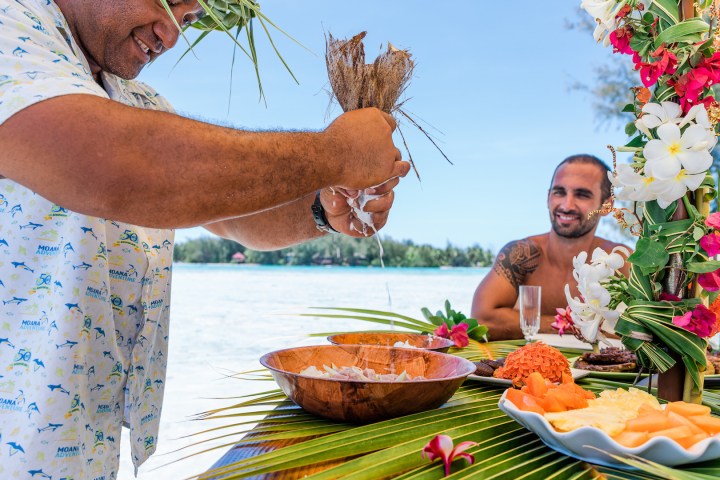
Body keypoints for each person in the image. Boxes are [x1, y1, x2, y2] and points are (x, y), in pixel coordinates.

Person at [0, 1, 410, 478]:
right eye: (164, 2)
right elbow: (117, 167)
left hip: (77, 439)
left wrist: (323, 209)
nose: (171, 37)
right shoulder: (11, 31)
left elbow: (234, 221)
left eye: (189, 19)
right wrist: (334, 152)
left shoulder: (138, 103)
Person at [471, 154, 631, 341]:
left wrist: (535, 323)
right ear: (548, 198)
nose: (566, 205)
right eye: (559, 192)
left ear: (606, 206)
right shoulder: (522, 254)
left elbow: (641, 329)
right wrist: (573, 324)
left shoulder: (620, 260)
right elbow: (481, 319)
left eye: (582, 195)